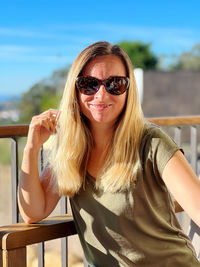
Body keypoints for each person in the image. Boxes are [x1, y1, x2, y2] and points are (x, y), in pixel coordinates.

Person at [18, 41, 200, 267]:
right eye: (89, 84)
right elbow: (33, 212)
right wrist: (31, 148)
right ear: (75, 90)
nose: (101, 94)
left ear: (128, 89)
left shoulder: (152, 143)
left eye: (115, 84)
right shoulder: (69, 149)